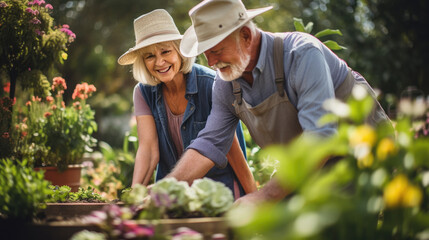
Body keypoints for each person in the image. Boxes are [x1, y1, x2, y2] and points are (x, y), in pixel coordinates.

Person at [163, 0, 391, 204]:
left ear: (246, 36)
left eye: (217, 50)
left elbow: (320, 137)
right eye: (205, 54)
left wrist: (264, 196)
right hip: (308, 163)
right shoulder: (226, 83)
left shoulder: (301, 54)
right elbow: (210, 142)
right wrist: (165, 189)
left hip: (362, 155)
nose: (211, 62)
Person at [117, 9, 256, 199]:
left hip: (216, 193)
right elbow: (148, 149)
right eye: (149, 56)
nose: (159, 62)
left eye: (165, 51)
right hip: (171, 196)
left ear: (180, 51)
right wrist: (134, 195)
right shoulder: (143, 92)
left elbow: (231, 151)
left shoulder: (211, 84)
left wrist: (254, 196)